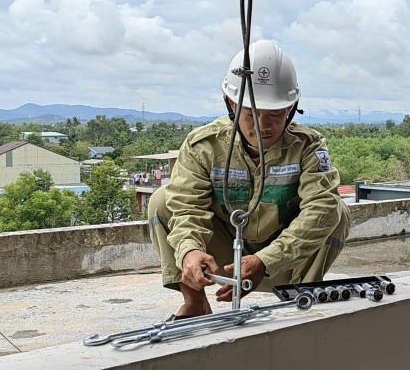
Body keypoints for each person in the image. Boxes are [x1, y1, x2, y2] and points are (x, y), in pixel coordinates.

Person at [148, 40, 351, 319]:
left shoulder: (308, 147)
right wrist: (190, 251)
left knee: (336, 212)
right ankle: (195, 302)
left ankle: (300, 300)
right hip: (223, 261)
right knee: (161, 201)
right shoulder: (202, 146)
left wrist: (266, 260)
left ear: (292, 108)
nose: (263, 125)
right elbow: (187, 208)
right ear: (231, 103)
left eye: (275, 114)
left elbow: (321, 208)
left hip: (285, 262)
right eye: (251, 113)